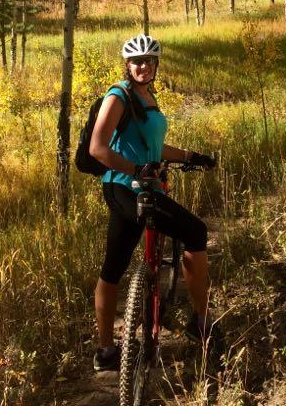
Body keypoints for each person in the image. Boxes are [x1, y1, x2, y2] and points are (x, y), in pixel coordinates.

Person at [89, 33, 217, 372]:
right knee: (195, 232)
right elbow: (97, 148)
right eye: (136, 61)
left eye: (148, 60)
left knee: (113, 267)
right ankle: (202, 323)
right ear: (127, 65)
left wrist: (193, 156)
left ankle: (106, 353)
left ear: (156, 64)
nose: (142, 65)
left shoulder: (147, 98)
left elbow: (155, 147)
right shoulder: (118, 96)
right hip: (124, 188)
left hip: (146, 188)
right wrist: (136, 168)